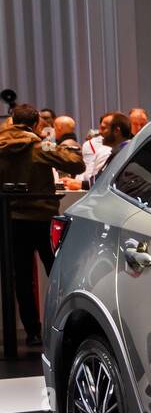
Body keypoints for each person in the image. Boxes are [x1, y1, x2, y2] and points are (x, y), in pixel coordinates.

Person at [0, 103, 85, 345]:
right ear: (37, 122)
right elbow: (76, 165)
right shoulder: (40, 145)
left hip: (12, 222)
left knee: (22, 279)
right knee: (57, 272)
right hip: (42, 219)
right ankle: (65, 325)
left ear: (11, 120)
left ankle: (32, 332)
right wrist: (57, 142)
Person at [69, 111, 131, 189]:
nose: (100, 132)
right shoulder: (118, 152)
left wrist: (82, 185)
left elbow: (107, 184)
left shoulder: (126, 154)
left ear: (116, 131)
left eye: (103, 128)